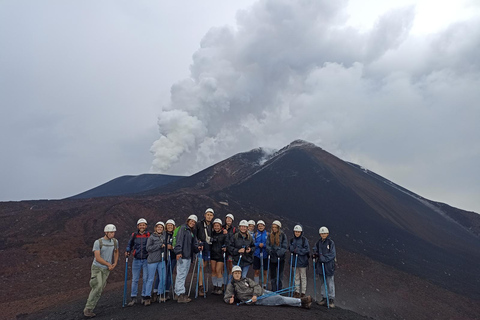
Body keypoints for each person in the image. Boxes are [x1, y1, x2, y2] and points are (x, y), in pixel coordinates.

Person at [224, 266, 311, 309]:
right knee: (279, 299)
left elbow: (256, 286)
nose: (237, 274)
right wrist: (229, 300)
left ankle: (301, 304)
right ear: (233, 274)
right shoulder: (232, 285)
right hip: (257, 300)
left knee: (279, 297)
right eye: (235, 273)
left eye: (239, 273)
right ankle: (301, 301)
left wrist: (255, 294)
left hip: (261, 292)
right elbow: (227, 297)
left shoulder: (246, 279)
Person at [83, 224, 119, 318]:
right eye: (111, 232)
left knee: (100, 288)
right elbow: (97, 257)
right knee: (97, 286)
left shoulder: (115, 242)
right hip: (97, 267)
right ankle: (87, 308)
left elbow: (116, 251)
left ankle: (90, 308)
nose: (113, 234)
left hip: (106, 269)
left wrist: (114, 263)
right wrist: (108, 264)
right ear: (106, 232)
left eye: (113, 232)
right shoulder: (98, 242)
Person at [174, 215, 202, 303]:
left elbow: (193, 245)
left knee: (183, 274)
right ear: (188, 220)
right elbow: (179, 240)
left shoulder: (191, 231)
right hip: (183, 255)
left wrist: (198, 249)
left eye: (194, 222)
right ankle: (180, 294)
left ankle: (178, 293)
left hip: (188, 256)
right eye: (191, 221)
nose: (192, 222)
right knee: (181, 274)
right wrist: (178, 252)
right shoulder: (183, 229)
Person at [125, 218, 150, 306]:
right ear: (138, 226)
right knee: (135, 279)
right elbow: (130, 244)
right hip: (136, 259)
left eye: (143, 225)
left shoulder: (149, 235)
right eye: (140, 225)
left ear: (146, 226)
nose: (142, 226)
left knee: (145, 278)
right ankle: (133, 297)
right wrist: (128, 250)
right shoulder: (134, 235)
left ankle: (144, 296)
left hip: (146, 259)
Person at [313, 226, 336, 308]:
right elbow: (315, 249)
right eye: (322, 233)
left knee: (330, 282)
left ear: (327, 234)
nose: (323, 235)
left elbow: (332, 254)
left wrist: (324, 258)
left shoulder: (330, 243)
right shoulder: (318, 242)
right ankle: (324, 297)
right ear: (320, 234)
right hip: (320, 265)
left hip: (329, 265)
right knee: (323, 282)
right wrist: (315, 254)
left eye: (325, 233)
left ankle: (331, 299)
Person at [145, 221, 166, 305]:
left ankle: (160, 294)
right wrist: (159, 246)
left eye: (161, 227)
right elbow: (148, 248)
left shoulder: (164, 236)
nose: (160, 228)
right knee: (150, 279)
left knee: (163, 278)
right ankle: (147, 296)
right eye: (158, 227)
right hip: (152, 261)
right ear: (155, 228)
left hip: (161, 260)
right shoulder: (151, 237)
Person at [194, 208, 214, 296]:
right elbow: (194, 235)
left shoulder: (213, 225)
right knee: (201, 266)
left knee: (204, 266)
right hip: (201, 247)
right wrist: (197, 243)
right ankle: (200, 286)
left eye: (211, 215)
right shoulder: (199, 224)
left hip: (208, 248)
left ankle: (201, 285)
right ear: (204, 215)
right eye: (208, 214)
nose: (209, 216)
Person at [289, 225, 310, 298]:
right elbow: (290, 248)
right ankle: (297, 291)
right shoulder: (292, 240)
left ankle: (303, 292)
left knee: (303, 277)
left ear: (301, 232)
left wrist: (298, 251)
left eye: (298, 232)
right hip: (294, 261)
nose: (297, 233)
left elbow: (307, 249)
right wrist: (294, 250)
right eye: (296, 232)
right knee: (296, 277)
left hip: (302, 261)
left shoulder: (304, 240)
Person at [266, 220, 287, 291]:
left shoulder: (283, 236)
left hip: (280, 258)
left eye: (275, 227)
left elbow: (284, 246)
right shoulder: (270, 236)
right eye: (273, 227)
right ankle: (273, 289)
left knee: (280, 275)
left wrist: (279, 253)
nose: (274, 229)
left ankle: (279, 289)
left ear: (278, 228)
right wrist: (270, 251)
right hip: (272, 258)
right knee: (273, 275)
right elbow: (267, 245)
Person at [210, 218, 227, 294]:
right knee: (213, 270)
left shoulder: (224, 234)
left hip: (220, 255)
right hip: (213, 254)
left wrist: (225, 247)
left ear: (220, 226)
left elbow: (227, 243)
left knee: (218, 270)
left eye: (218, 226)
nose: (216, 227)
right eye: (215, 226)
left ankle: (220, 287)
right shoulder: (212, 234)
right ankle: (215, 286)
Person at [163, 219, 177, 300]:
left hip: (172, 257)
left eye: (171, 225)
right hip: (164, 257)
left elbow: (178, 245)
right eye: (168, 225)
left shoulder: (175, 235)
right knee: (163, 274)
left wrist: (172, 247)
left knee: (169, 274)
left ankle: (166, 291)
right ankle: (160, 291)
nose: (170, 227)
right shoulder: (163, 235)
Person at [253, 220, 269, 287]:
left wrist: (264, 245)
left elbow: (269, 244)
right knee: (257, 271)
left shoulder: (268, 234)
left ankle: (264, 285)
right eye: (259, 226)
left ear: (264, 226)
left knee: (265, 271)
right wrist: (258, 244)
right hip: (257, 255)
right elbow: (253, 243)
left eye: (262, 225)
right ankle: (256, 285)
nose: (260, 227)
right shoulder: (256, 234)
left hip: (265, 255)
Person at [222, 213, 236, 281]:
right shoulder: (222, 227)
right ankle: (223, 283)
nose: (228, 220)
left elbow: (234, 240)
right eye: (227, 218)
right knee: (223, 268)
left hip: (230, 251)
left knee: (230, 268)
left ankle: (229, 283)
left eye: (230, 219)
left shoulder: (234, 229)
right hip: (222, 250)